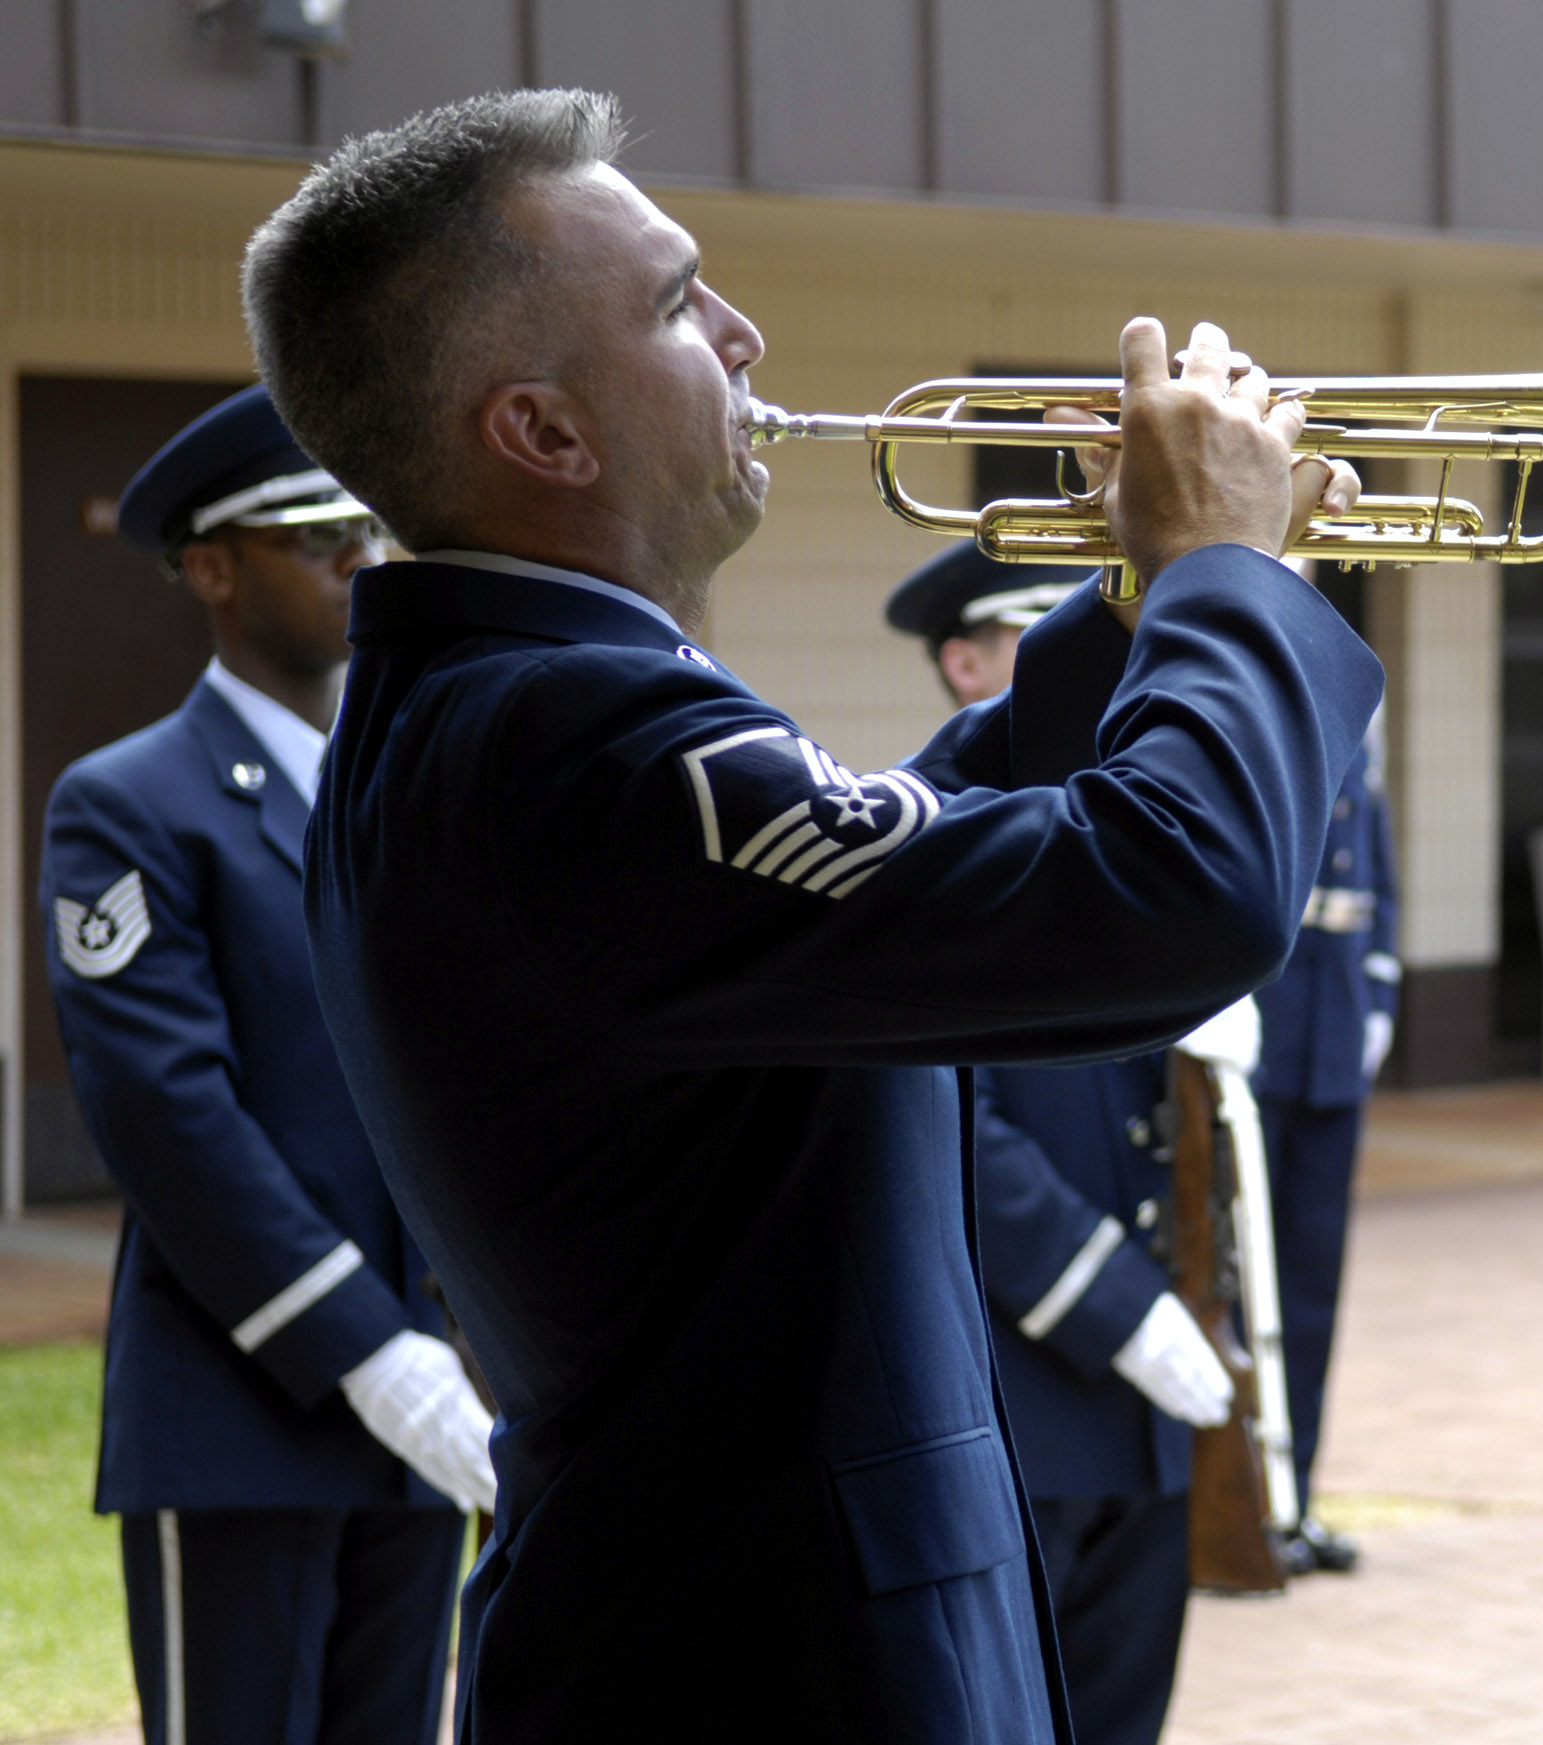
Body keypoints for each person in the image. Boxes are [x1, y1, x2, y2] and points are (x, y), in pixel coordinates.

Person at [241, 89, 1378, 1743]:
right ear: (545, 434)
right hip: (764, 1660)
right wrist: (1222, 579)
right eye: (678, 302)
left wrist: (1143, 607)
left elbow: (898, 862)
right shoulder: (568, 737)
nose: (746, 331)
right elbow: (1177, 899)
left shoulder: (518, 705)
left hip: (741, 1627)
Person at [42, 385, 495, 1745]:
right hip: (246, 1406)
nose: (359, 560)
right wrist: (369, 1352)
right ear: (212, 569)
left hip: (431, 1395)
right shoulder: (130, 801)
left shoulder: (405, 790)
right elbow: (166, 1113)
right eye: (315, 535)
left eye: (368, 529)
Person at [886, 542, 1233, 1745]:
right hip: (1031, 1371)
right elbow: (952, 1120)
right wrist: (1112, 1301)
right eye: (1034, 644)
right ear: (963, 660)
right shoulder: (933, 836)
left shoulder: (1120, 834)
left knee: (1129, 1704)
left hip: (1155, 1391)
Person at [1252, 659, 1398, 1577]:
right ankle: (1231, 1498)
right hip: (1252, 1031)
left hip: (1330, 1035)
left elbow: (1372, 856)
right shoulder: (1229, 682)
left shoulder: (1340, 683)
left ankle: (1293, 1495)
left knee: (1309, 1287)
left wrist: (1378, 989)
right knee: (1243, 1285)